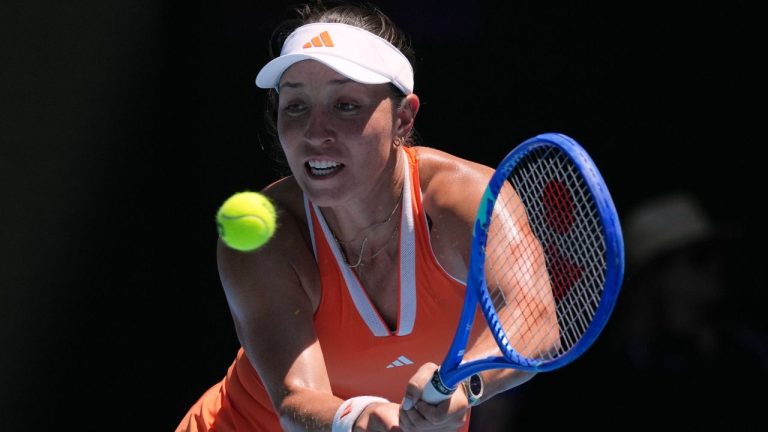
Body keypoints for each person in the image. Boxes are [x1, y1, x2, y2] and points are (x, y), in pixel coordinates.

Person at [177, 2, 554, 431]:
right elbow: (297, 400)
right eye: (296, 105)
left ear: (403, 117)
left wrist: (466, 387)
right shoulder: (265, 233)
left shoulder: (465, 201)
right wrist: (361, 418)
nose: (316, 132)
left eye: (346, 105)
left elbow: (534, 321)